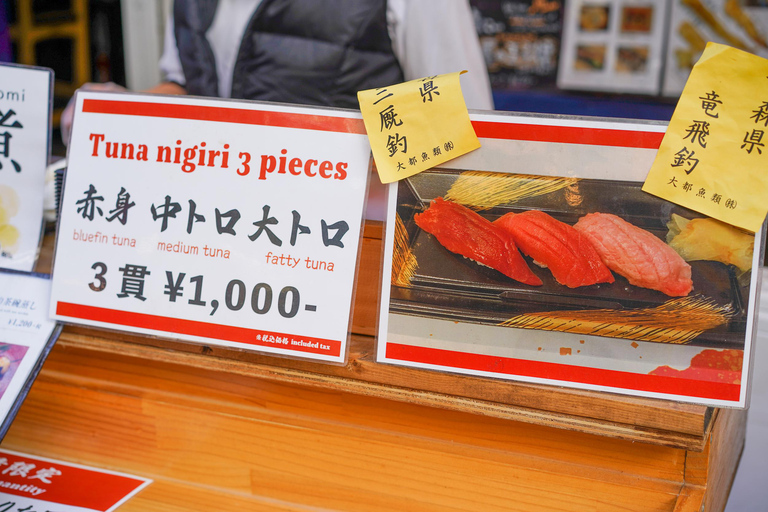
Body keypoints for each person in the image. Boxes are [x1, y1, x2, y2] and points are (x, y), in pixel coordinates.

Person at [62, 0, 492, 142]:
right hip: (221, 226)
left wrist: (334, 148)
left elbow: (460, 120)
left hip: (345, 240)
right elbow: (189, 85)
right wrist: (115, 116)